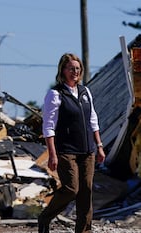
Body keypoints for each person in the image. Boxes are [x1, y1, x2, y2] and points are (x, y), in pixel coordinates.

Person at [39, 53, 106, 233]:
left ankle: (84, 230)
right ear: (63, 70)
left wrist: (99, 146)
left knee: (86, 191)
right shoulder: (55, 94)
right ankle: (45, 217)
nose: (74, 72)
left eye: (77, 68)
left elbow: (93, 120)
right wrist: (52, 154)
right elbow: (49, 126)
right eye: (71, 68)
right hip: (66, 150)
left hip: (88, 150)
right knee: (71, 189)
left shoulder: (85, 92)